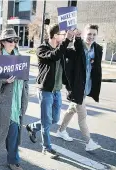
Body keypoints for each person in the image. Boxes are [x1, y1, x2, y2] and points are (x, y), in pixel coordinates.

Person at [0, 29, 29, 170]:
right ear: (2, 42)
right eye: (10, 40)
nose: (13, 43)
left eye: (15, 40)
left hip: (17, 100)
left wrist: (25, 91)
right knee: (11, 129)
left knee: (2, 127)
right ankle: (13, 160)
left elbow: (25, 79)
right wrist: (3, 81)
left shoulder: (20, 58)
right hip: (2, 102)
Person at [25, 24, 74, 158]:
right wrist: (67, 40)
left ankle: (33, 127)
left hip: (57, 90)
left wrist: (78, 39)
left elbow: (73, 54)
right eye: (62, 34)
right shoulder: (42, 48)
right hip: (45, 90)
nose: (64, 36)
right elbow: (54, 56)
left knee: (54, 119)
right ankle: (46, 147)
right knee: (47, 120)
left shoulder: (61, 48)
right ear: (55, 35)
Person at [57, 24, 103, 151]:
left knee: (71, 109)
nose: (91, 37)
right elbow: (67, 55)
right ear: (83, 34)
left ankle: (61, 130)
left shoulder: (97, 49)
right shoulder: (77, 48)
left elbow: (96, 69)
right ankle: (88, 142)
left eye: (94, 34)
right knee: (82, 115)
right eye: (89, 34)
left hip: (87, 87)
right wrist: (72, 38)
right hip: (76, 88)